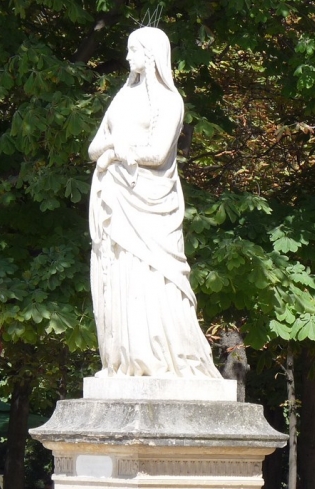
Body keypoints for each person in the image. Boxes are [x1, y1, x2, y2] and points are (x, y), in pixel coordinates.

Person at [88, 26, 221, 378]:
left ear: (151, 55)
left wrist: (116, 150)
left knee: (155, 273)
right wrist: (112, 151)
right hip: (118, 194)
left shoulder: (169, 101)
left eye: (134, 50)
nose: (128, 56)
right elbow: (93, 147)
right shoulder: (121, 98)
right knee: (120, 271)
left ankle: (162, 355)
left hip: (151, 199)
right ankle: (126, 357)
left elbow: (159, 152)